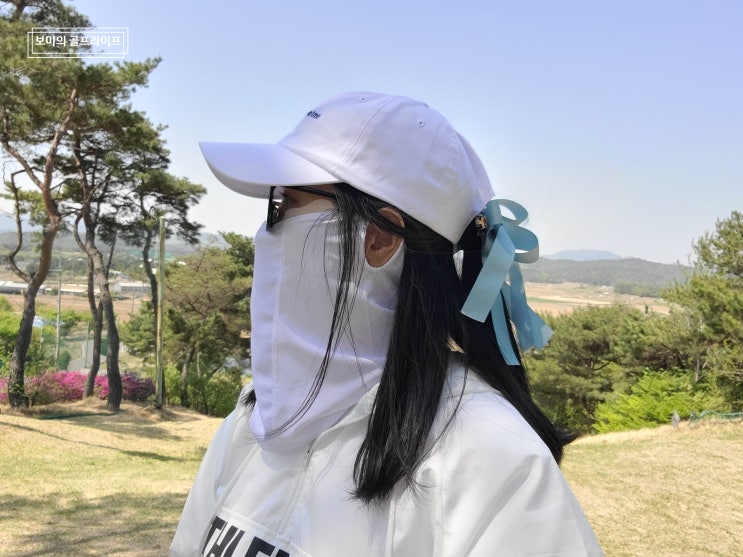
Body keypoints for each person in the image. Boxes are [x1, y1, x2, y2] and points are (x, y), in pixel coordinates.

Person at [171, 91, 604, 556]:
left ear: (379, 238)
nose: (267, 231)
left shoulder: (490, 456)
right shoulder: (252, 418)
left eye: (284, 205)